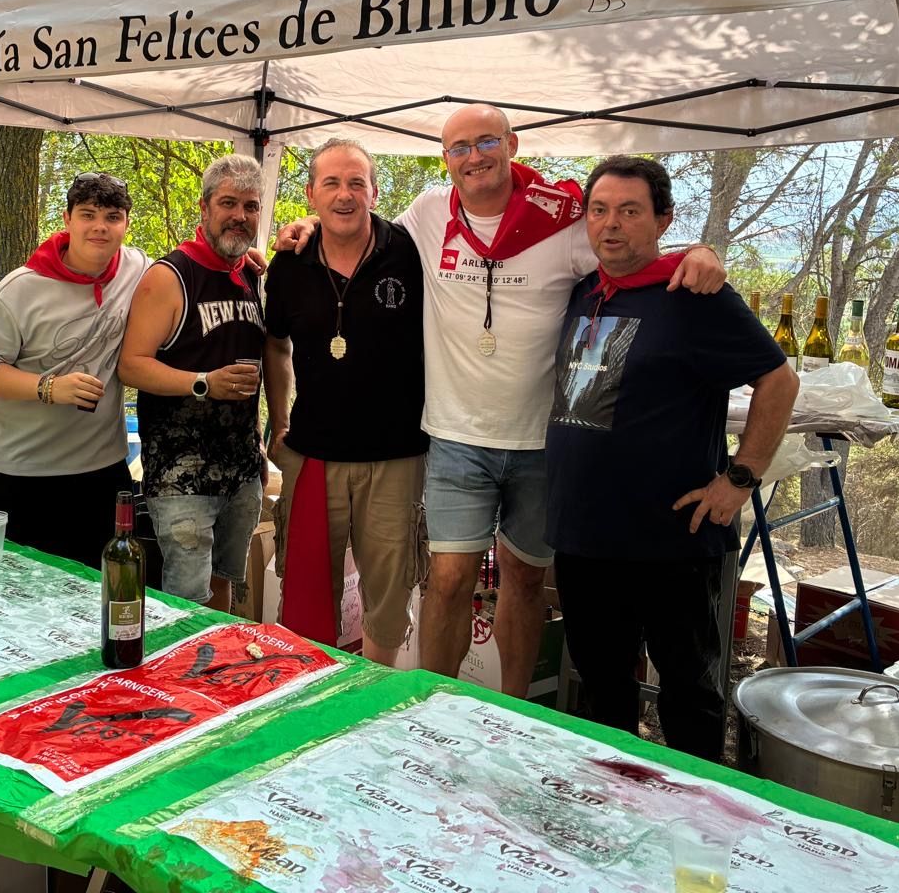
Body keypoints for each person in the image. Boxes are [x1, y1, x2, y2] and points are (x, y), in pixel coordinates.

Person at [281, 104, 725, 695]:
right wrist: (304, 229)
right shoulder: (428, 214)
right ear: (445, 160)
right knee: (447, 579)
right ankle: (431, 705)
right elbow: (354, 224)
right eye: (459, 147)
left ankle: (515, 709)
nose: (474, 156)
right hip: (455, 436)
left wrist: (699, 253)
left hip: (541, 441)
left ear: (512, 145)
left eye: (486, 141)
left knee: (522, 579)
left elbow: (630, 254)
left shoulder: (562, 225)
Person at [546, 155, 797, 760]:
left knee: (687, 691)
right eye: (599, 210)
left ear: (663, 220)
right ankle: (610, 802)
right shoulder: (586, 291)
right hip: (584, 536)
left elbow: (778, 380)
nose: (611, 224)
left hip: (672, 539)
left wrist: (739, 478)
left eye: (630, 211)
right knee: (602, 688)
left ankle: (698, 818)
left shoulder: (694, 295)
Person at [264, 138, 426, 663]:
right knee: (309, 596)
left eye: (357, 182)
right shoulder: (287, 266)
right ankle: (311, 701)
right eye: (331, 182)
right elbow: (275, 343)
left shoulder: (409, 251)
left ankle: (375, 700)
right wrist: (279, 419)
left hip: (396, 456)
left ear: (375, 191)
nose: (345, 194)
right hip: (315, 456)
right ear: (310, 194)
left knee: (388, 600)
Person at [0, 173, 146, 568]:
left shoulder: (137, 268)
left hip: (104, 470)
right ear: (67, 220)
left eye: (113, 216)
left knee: (104, 588)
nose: (100, 226)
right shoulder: (18, 291)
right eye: (88, 214)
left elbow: (185, 272)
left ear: (126, 225)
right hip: (25, 474)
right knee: (28, 593)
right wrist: (49, 387)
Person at [119, 154, 266, 610]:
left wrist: (263, 438)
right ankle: (178, 682)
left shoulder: (250, 275)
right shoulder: (169, 277)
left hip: (241, 470)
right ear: (204, 209)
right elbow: (131, 365)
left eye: (251, 206)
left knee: (223, 590)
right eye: (228, 203)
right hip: (182, 477)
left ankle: (211, 677)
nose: (239, 215)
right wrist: (203, 383)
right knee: (186, 605)